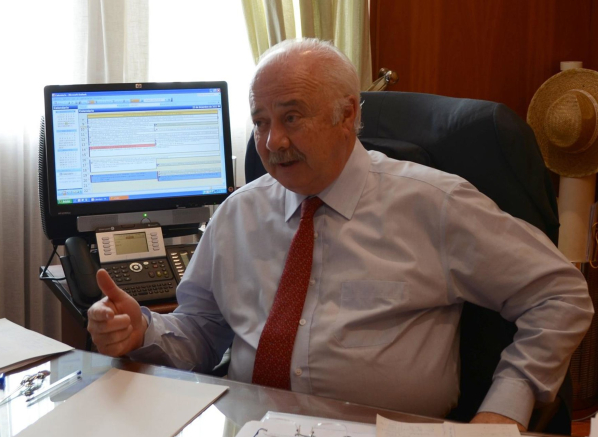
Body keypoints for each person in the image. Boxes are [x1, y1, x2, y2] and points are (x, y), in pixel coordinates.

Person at [87, 38, 593, 430]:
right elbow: (201, 329)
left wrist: (504, 410)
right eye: (260, 122)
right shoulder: (239, 213)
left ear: (347, 115)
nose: (272, 141)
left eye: (291, 118)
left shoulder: (433, 204)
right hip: (253, 426)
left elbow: (560, 293)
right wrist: (142, 330)